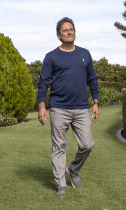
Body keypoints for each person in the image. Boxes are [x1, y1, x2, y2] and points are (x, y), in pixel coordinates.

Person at [37, 17, 100, 197]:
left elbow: (92, 79)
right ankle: (61, 185)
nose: (69, 32)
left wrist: (95, 102)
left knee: (87, 144)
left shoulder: (85, 54)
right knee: (59, 146)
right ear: (59, 35)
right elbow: (43, 83)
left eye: (71, 29)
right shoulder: (51, 57)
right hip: (58, 108)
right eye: (65, 30)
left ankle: (73, 169)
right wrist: (42, 106)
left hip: (81, 108)